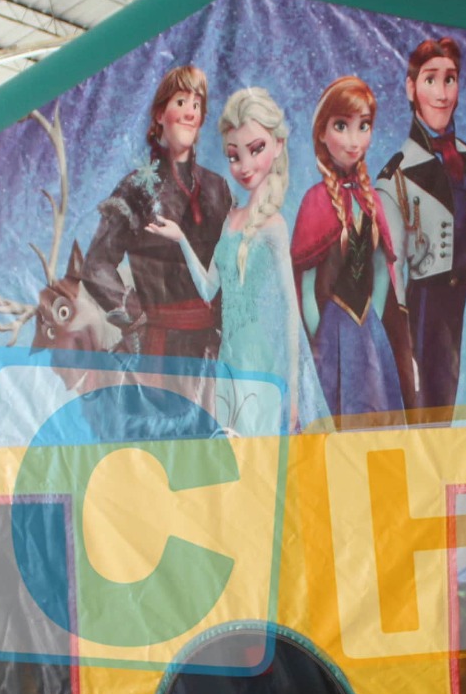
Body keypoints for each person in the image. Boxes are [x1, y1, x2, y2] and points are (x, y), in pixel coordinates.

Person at [148, 87, 327, 434]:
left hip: (258, 360)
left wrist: (292, 391)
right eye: (234, 156)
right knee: (234, 452)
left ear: (278, 146)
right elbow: (208, 288)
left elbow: (290, 311)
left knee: (258, 451)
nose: (244, 166)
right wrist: (181, 239)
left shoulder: (274, 226)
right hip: (228, 361)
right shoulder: (230, 221)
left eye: (255, 150)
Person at [376, 36, 466, 416]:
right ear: (411, 88)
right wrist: (402, 346)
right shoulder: (396, 176)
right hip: (424, 309)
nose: (442, 93)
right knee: (426, 413)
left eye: (450, 79)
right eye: (430, 79)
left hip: (465, 302)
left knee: (456, 407)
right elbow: (391, 272)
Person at [80, 65, 232, 361]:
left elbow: (235, 269)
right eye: (181, 102)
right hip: (160, 352)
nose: (190, 113)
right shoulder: (136, 187)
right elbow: (96, 266)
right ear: (160, 115)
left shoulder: (219, 189)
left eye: (196, 105)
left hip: (215, 352)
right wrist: (134, 317)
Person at [291, 76, 404, 420]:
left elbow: (382, 271)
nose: (354, 141)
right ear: (322, 134)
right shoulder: (315, 201)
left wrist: (374, 326)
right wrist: (319, 338)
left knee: (374, 411)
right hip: (331, 333)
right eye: (342, 126)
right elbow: (306, 285)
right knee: (336, 414)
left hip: (367, 329)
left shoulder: (371, 201)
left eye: (363, 126)